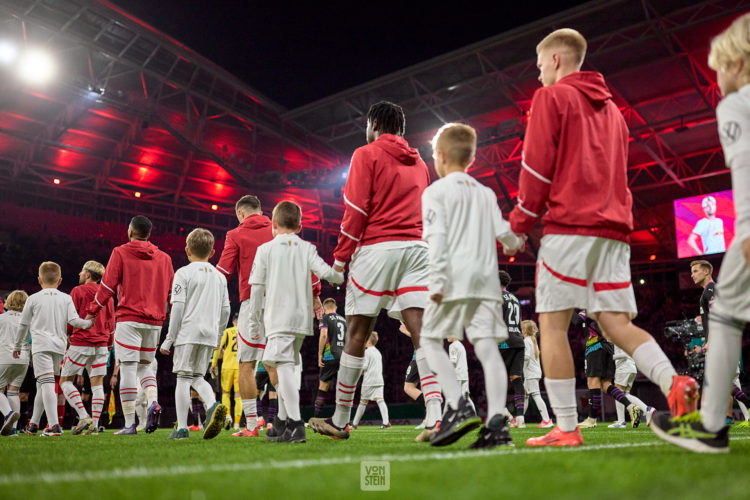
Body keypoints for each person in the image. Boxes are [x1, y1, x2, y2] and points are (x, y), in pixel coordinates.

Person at [509, 28, 698, 447]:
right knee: (616, 323)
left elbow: (537, 170)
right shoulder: (614, 111)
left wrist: (519, 224)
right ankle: (674, 381)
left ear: (556, 59)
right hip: (614, 231)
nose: (539, 75)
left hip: (569, 228)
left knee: (552, 325)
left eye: (540, 66)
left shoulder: (551, 98)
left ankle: (567, 428)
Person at [308, 101, 444, 441]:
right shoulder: (421, 164)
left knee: (357, 332)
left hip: (376, 249)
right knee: (421, 333)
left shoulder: (365, 153)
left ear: (373, 124)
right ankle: (437, 415)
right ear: (401, 127)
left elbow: (355, 209)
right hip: (417, 249)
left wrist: (339, 259)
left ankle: (340, 420)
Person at [652, 14, 750, 452]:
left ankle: (711, 427)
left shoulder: (736, 103)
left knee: (726, 316)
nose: (717, 77)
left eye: (718, 67)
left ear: (736, 61)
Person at [419, 122, 525, 448]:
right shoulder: (485, 192)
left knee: (429, 340)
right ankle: (496, 423)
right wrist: (513, 241)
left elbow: (436, 239)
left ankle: (458, 403)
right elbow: (504, 232)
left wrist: (436, 280)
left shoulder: (435, 191)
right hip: (486, 281)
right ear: (472, 159)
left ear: (439, 156)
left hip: (452, 277)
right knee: (487, 348)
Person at [249, 201, 344, 443]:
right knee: (284, 366)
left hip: (278, 317)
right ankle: (283, 421)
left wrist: (254, 323)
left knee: (283, 367)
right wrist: (341, 272)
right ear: (301, 226)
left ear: (273, 224)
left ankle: (294, 423)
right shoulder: (307, 248)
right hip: (301, 319)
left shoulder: (265, 250)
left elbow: (257, 290)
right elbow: (327, 273)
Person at [86, 215, 174, 435]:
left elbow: (107, 287)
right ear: (148, 234)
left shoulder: (121, 252)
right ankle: (153, 401)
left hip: (129, 319)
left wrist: (91, 311)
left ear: (130, 231)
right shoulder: (164, 258)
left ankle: (128, 424)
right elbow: (172, 293)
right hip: (155, 322)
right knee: (146, 365)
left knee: (128, 368)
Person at [160, 228, 231, 440]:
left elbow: (178, 308)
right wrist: (218, 337)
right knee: (198, 377)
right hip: (209, 334)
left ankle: (182, 428)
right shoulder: (220, 277)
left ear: (187, 250)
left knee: (183, 378)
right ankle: (213, 405)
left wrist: (169, 339)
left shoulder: (183, 273)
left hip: (188, 332)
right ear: (212, 252)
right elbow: (226, 310)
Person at [12, 262, 94, 437]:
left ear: (39, 280)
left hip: (41, 346)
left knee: (46, 383)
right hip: (59, 347)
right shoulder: (66, 298)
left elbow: (23, 325)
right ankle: (33, 424)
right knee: (43, 384)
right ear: (60, 280)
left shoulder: (33, 298)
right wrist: (89, 322)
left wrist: (18, 346)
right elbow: (74, 321)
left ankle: (54, 425)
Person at [59, 261, 115, 435]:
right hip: (102, 344)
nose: (79, 274)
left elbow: (71, 317)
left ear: (88, 274)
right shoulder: (109, 296)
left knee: (65, 381)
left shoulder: (77, 291)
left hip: (81, 343)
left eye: (82, 271)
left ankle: (84, 416)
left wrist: (67, 335)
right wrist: (109, 343)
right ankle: (95, 427)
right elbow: (112, 322)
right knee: (97, 385)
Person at [574, 312, 642, 429]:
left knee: (592, 383)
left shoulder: (590, 309)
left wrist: (569, 309)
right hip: (608, 348)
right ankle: (630, 407)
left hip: (595, 347)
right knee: (606, 385)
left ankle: (591, 420)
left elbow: (576, 320)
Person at [498, 271, 526, 428]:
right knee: (516, 378)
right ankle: (520, 418)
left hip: (504, 339)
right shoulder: (515, 298)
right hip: (518, 339)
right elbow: (520, 321)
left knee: (497, 375)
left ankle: (503, 412)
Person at [0, 291, 28, 435]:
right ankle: (14, 429)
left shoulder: (2, 318)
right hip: (23, 360)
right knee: (13, 392)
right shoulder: (28, 320)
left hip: (4, 357)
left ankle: (8, 413)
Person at [313, 298, 346, 418]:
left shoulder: (325, 318)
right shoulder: (343, 320)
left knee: (323, 386)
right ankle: (341, 419)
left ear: (324, 309)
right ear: (336, 307)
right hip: (344, 356)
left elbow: (323, 335)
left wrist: (319, 354)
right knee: (343, 388)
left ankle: (316, 417)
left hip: (329, 355)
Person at [211, 313, 242, 431]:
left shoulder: (228, 331)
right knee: (238, 395)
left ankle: (228, 415)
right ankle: (237, 424)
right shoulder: (244, 332)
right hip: (240, 367)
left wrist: (214, 364)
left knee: (225, 393)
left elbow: (219, 347)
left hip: (227, 366)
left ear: (233, 322)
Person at [351, 332, 390, 429]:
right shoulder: (378, 352)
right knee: (380, 400)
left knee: (363, 402)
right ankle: (386, 423)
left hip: (369, 381)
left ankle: (354, 424)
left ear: (368, 341)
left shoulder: (367, 352)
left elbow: (364, 367)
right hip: (379, 380)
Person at [609, 345, 653, 428]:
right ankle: (647, 409)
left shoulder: (618, 335)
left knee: (617, 393)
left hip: (623, 368)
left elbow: (624, 355)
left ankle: (621, 422)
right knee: (625, 395)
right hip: (631, 367)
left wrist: (608, 357)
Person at [520, 320, 554, 428]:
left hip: (531, 373)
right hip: (533, 372)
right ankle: (519, 419)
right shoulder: (532, 340)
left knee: (536, 395)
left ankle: (547, 420)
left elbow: (526, 357)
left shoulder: (526, 341)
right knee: (524, 396)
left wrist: (518, 364)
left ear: (524, 330)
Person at [447, 338, 475, 414]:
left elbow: (453, 361)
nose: (447, 337)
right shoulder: (461, 345)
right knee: (466, 398)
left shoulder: (452, 345)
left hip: (457, 376)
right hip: (464, 375)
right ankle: (474, 415)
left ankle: (449, 418)